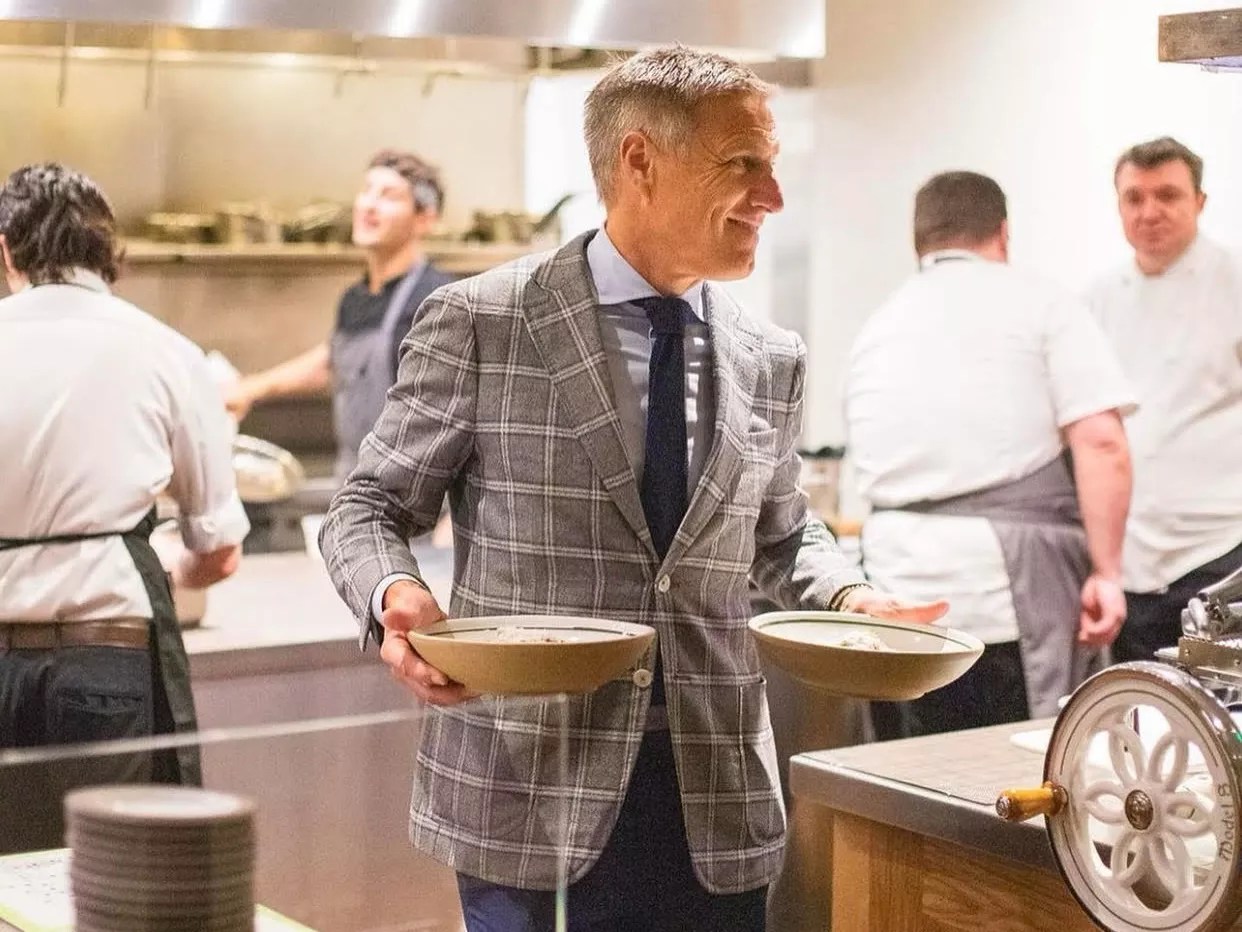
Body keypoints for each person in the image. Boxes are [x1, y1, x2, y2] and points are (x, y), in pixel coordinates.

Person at [320, 46, 946, 931]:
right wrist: (396, 594)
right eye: (745, 165)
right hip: (526, 792)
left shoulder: (770, 355)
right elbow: (368, 507)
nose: (773, 196)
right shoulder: (485, 322)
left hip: (713, 797)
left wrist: (851, 595)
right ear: (640, 162)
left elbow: (779, 533)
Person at [0, 163, 249, 850]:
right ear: (111, 253)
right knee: (113, 879)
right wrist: (153, 562)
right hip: (106, 663)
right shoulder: (168, 352)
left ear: (5, 250)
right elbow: (218, 553)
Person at [846, 171, 1136, 739]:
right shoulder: (1042, 302)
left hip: (895, 602)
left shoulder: (878, 327)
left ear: (920, 242)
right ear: (1003, 233)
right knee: (1012, 787)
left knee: (915, 795)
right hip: (1002, 602)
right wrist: (1107, 572)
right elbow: (1102, 441)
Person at [1087, 137, 1242, 662]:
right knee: (1142, 719)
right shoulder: (1097, 299)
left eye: (1167, 195)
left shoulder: (1234, 281)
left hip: (1220, 550)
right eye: (1135, 198)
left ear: (1199, 202)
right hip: (1129, 562)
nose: (1149, 211)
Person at [225, 149, 456, 481]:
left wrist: (450, 525)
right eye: (366, 191)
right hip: (355, 481)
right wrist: (249, 389)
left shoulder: (436, 300)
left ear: (425, 219)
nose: (369, 205)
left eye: (388, 196)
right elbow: (331, 361)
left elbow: (465, 413)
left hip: (416, 500)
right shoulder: (355, 299)